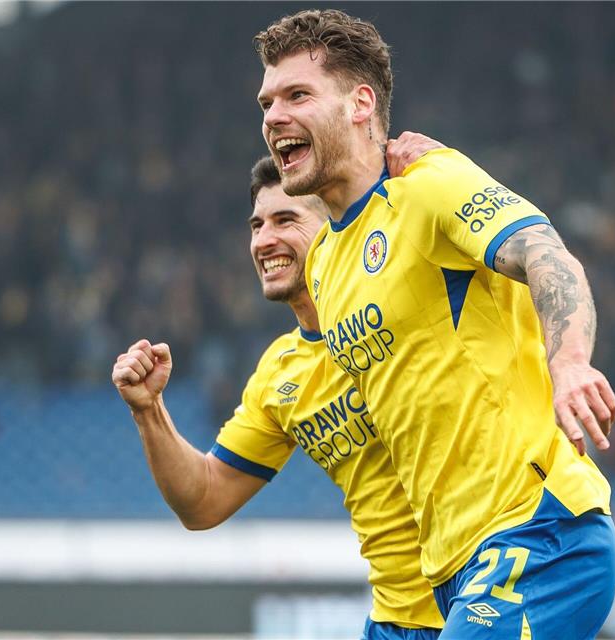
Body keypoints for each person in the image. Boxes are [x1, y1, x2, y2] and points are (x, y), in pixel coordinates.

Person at [254, 9, 615, 638]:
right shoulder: (329, 264)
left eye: (297, 95)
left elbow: (545, 254)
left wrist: (568, 362)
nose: (272, 117)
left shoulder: (429, 186)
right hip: (446, 574)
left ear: (360, 104)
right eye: (266, 102)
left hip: (539, 531)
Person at [112, 140, 446, 639]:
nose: (263, 240)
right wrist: (149, 411)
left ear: (334, 226)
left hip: (482, 593)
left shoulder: (405, 301)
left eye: (285, 220)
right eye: (256, 226)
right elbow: (203, 500)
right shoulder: (280, 374)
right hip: (395, 620)